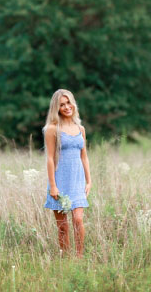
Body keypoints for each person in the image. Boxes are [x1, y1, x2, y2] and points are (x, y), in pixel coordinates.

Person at [43, 88, 91, 257]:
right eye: (62, 104)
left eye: (68, 102)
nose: (66, 107)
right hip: (60, 181)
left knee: (78, 220)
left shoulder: (80, 129)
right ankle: (65, 257)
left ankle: (79, 257)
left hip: (77, 182)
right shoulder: (52, 129)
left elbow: (84, 157)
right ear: (56, 108)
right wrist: (53, 186)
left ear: (73, 104)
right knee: (63, 226)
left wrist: (89, 181)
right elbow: (49, 158)